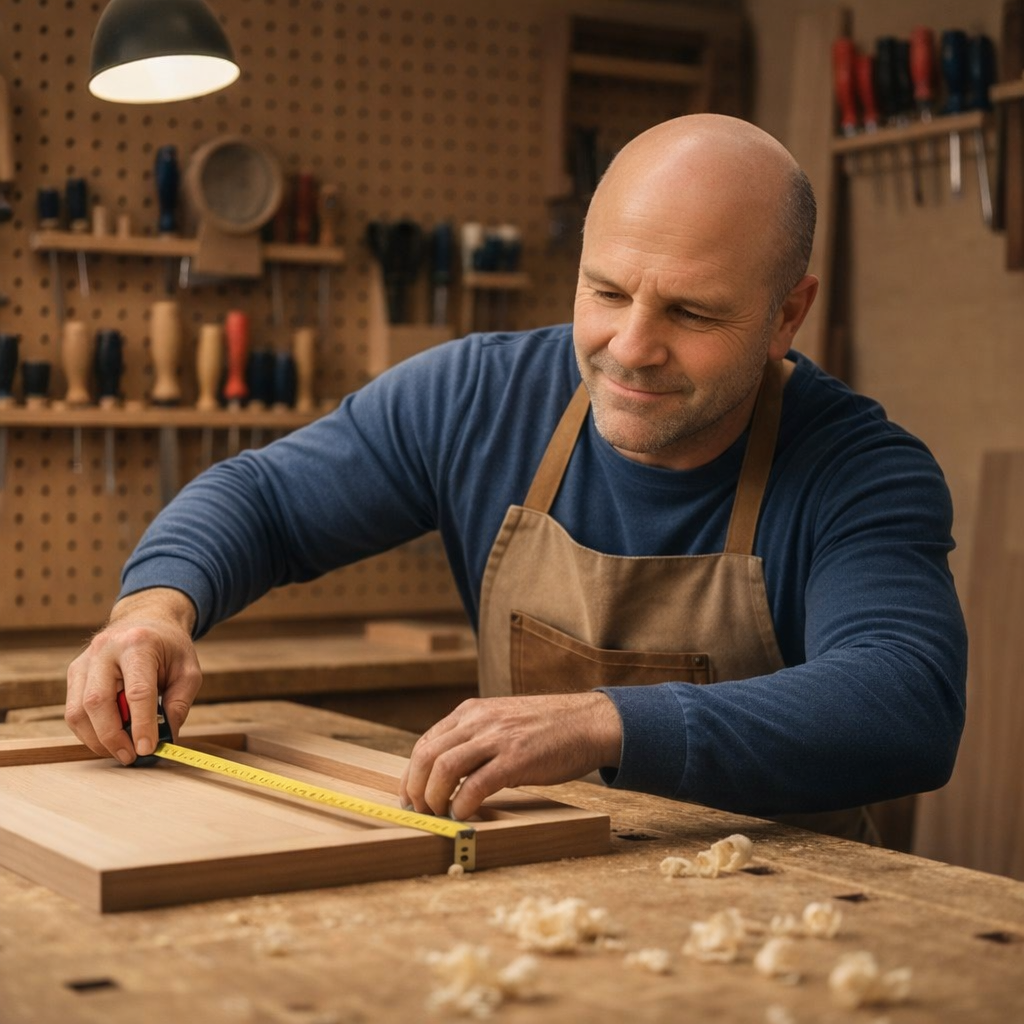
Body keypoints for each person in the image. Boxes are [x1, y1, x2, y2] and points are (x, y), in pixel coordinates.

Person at [65, 114, 967, 842]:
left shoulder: (860, 470)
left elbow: (901, 700)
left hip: (780, 921)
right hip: (535, 887)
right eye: (607, 292)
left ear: (787, 315)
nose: (632, 347)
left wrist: (602, 723)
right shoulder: (477, 397)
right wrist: (154, 611)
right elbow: (263, 501)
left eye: (691, 311)